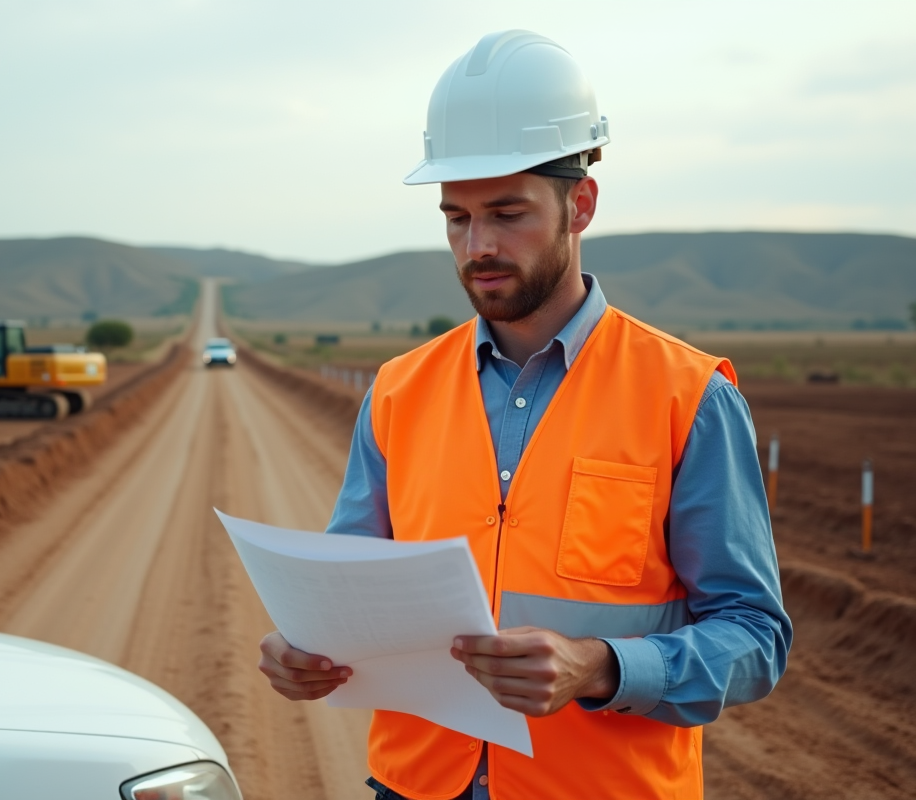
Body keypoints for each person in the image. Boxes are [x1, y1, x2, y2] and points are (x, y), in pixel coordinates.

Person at [257, 30, 792, 800]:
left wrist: (600, 667)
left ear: (581, 204)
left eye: (508, 213)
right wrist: (303, 649)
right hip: (412, 786)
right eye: (456, 217)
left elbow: (755, 636)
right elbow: (348, 591)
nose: (479, 246)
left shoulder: (688, 395)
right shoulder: (399, 389)